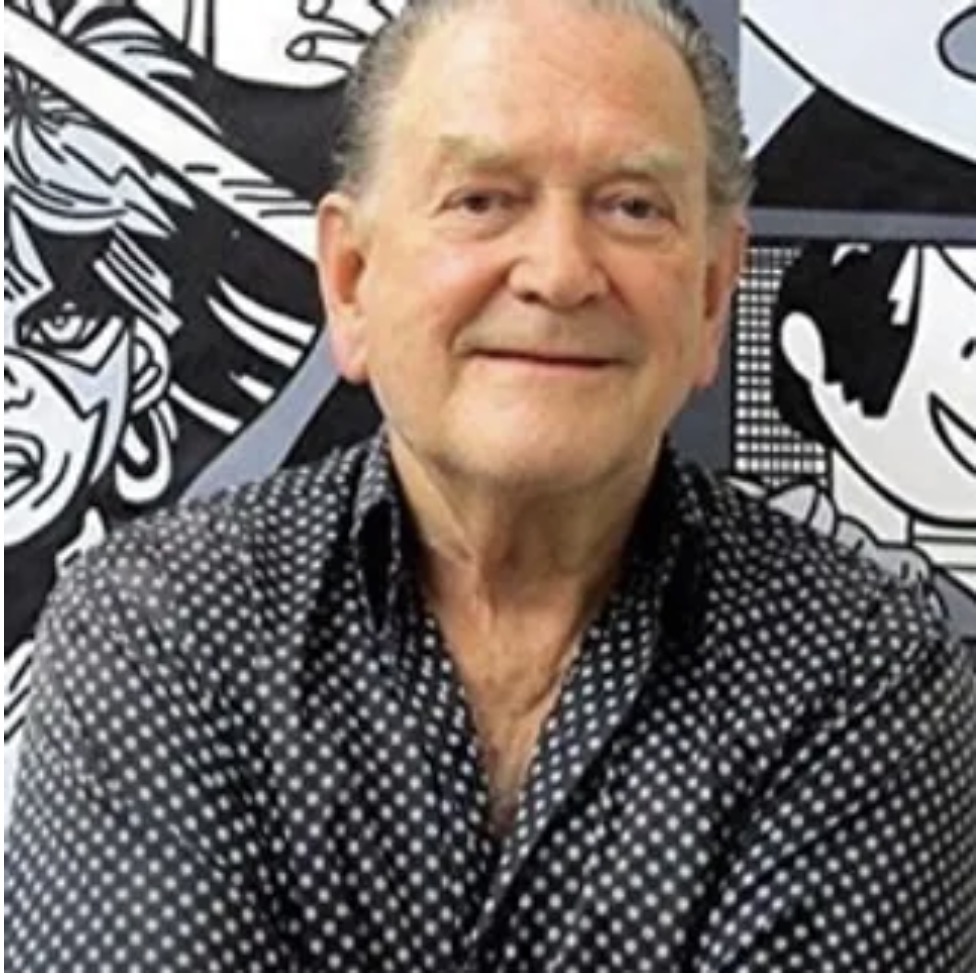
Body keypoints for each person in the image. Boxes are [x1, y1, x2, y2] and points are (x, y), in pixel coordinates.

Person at [4, 0, 974, 970]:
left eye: (633, 207)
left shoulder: (867, 672)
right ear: (350, 280)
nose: (560, 273)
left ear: (714, 295)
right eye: (481, 200)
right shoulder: (165, 628)